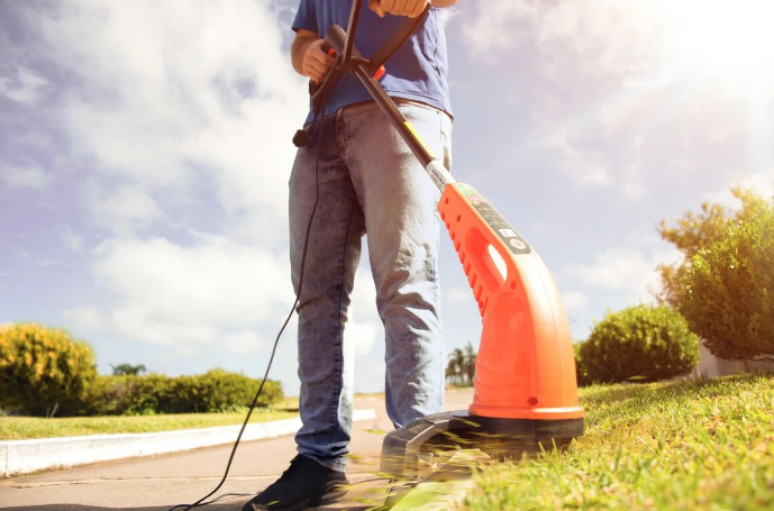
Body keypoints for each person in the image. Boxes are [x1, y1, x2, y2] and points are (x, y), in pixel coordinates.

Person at [243, 1, 459, 509]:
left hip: (401, 104)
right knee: (316, 298)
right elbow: (302, 39)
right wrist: (307, 56)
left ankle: (421, 461)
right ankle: (319, 462)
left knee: (405, 282)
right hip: (320, 128)